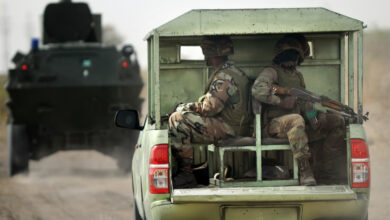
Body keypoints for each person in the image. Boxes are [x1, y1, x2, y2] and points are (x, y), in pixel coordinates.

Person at [251, 34, 346, 186]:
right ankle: (304, 169)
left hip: (297, 124)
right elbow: (257, 89)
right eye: (286, 54)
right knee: (296, 119)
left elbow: (303, 105)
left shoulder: (298, 77)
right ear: (279, 56)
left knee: (336, 121)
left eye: (294, 54)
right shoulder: (271, 71)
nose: (290, 58)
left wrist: (315, 116)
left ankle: (326, 171)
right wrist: (281, 102)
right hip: (273, 126)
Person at [169, 35, 251, 188]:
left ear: (211, 53)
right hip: (237, 125)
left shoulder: (225, 76)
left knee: (177, 119)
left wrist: (184, 107)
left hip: (230, 128)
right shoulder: (235, 72)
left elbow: (210, 107)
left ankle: (186, 174)